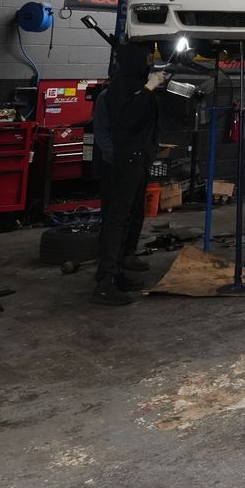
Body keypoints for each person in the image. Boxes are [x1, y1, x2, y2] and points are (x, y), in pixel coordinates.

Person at [90, 43, 167, 306]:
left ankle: (118, 270)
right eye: (146, 55)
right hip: (122, 162)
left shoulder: (136, 85)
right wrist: (149, 88)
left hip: (138, 159)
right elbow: (128, 118)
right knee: (117, 218)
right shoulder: (117, 91)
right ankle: (105, 283)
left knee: (132, 214)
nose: (150, 59)